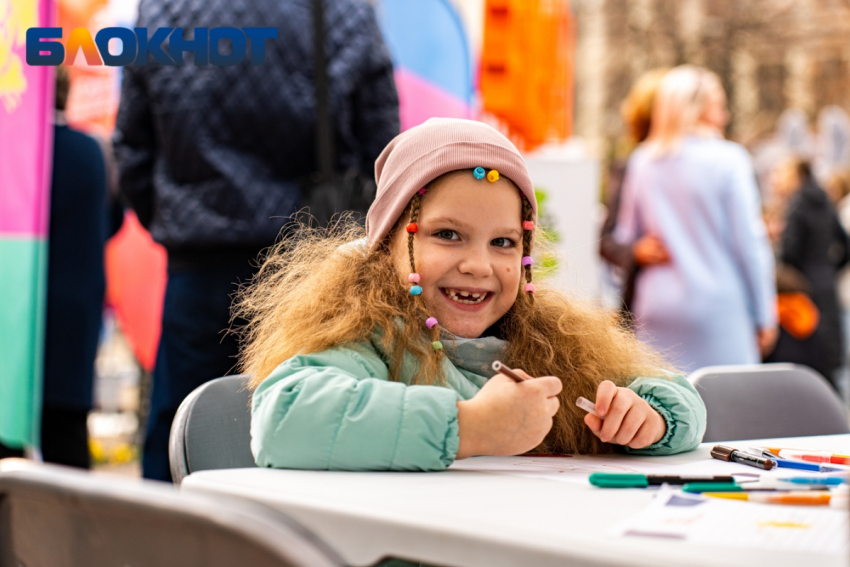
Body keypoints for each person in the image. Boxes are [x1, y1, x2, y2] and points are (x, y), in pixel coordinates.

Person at [239, 118, 706, 471]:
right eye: (447, 234)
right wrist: (468, 426)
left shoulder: (550, 341)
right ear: (387, 245)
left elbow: (680, 396)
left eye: (503, 243)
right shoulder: (371, 335)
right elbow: (282, 417)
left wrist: (651, 418)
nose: (479, 265)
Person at [113, 0, 400, 480]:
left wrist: (175, 220)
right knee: (316, 430)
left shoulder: (163, 9)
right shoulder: (343, 10)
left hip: (200, 261)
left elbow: (133, 149)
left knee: (180, 433)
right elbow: (384, 147)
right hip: (315, 264)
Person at [614, 66, 777, 372]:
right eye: (719, 106)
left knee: (662, 406)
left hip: (657, 306)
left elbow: (625, 236)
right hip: (718, 308)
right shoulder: (729, 159)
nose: (725, 115)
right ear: (697, 110)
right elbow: (750, 245)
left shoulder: (642, 161)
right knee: (728, 405)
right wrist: (764, 314)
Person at [766, 160, 850, 387]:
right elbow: (845, 243)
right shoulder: (825, 202)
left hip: (802, 287)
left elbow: (791, 252)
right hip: (826, 284)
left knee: (804, 353)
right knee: (828, 353)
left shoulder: (797, 206)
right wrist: (829, 270)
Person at [600, 68, 670, 319]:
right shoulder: (633, 165)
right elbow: (606, 241)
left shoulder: (705, 165)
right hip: (643, 311)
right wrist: (636, 251)